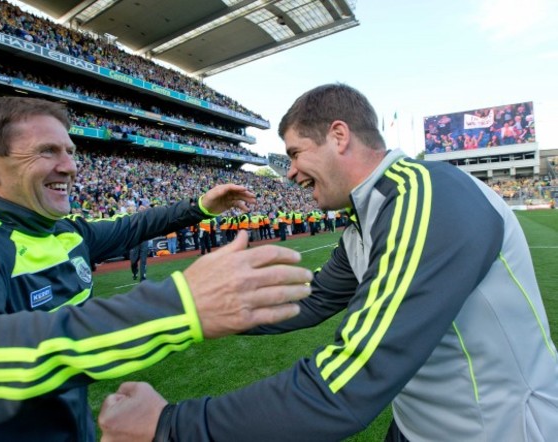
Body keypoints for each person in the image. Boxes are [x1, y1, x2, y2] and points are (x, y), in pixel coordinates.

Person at [98, 83, 558, 442]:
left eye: (295, 153)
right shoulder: (365, 216)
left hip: (493, 430)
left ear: (339, 136)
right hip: (420, 424)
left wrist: (170, 427)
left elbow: (348, 382)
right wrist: (201, 307)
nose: (291, 172)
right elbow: (311, 299)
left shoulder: (425, 196)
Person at [0, 97, 313, 442]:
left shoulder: (66, 233)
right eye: (48, 151)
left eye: (70, 151)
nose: (69, 167)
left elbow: (132, 227)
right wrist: (178, 305)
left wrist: (200, 207)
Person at [130, 205, 150, 281]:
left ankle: (143, 277)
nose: (142, 209)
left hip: (144, 240)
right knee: (133, 260)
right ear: (138, 210)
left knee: (143, 259)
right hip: (135, 241)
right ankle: (135, 272)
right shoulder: (133, 218)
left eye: (143, 208)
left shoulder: (147, 219)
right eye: (140, 208)